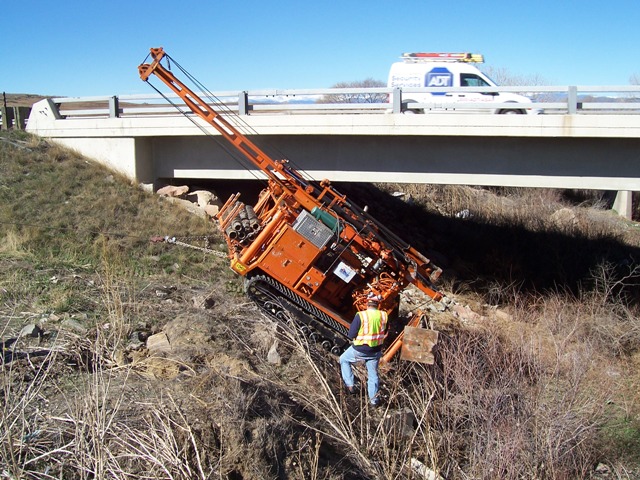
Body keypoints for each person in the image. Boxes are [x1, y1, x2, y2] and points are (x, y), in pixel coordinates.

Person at [339, 294, 388, 407]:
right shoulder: (384, 315)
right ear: (378, 304)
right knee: (373, 375)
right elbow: (384, 332)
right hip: (375, 351)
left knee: (344, 359)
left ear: (367, 303)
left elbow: (351, 334)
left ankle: (351, 386)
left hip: (360, 349)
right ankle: (374, 401)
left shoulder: (361, 315)